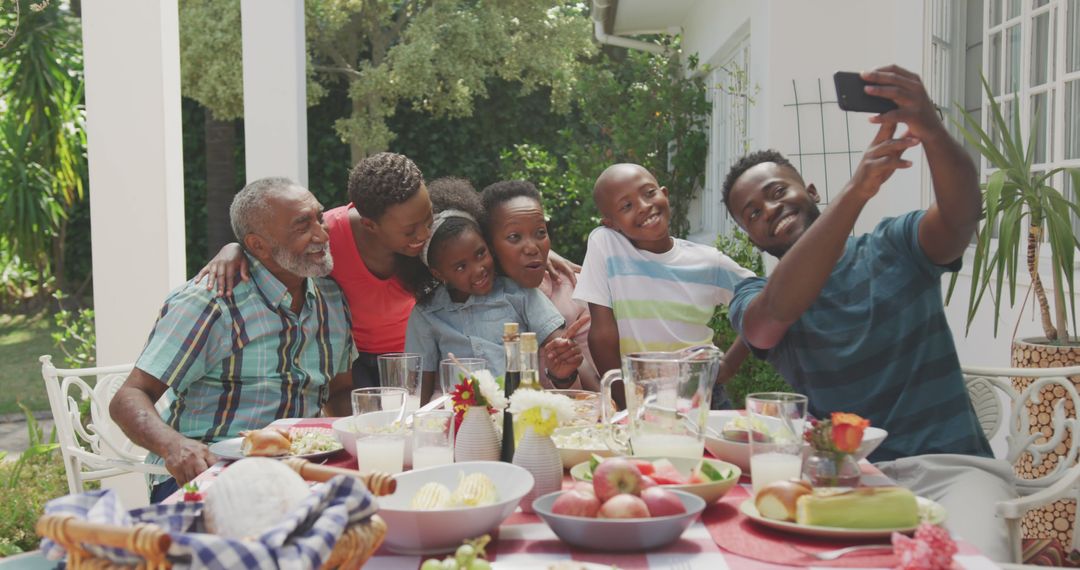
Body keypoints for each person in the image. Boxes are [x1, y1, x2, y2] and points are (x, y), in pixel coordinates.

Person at [723, 65, 1008, 559]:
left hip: (951, 470)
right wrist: (857, 190)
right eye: (752, 213)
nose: (768, 210)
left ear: (809, 192)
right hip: (841, 482)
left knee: (974, 562)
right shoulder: (753, 296)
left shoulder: (895, 245)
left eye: (776, 192)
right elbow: (773, 316)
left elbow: (961, 216)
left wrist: (931, 129)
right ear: (752, 238)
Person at [197, 154, 579, 390]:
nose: (424, 233)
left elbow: (480, 231)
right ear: (371, 226)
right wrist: (234, 249)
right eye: (410, 231)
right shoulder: (327, 236)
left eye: (426, 219)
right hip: (358, 363)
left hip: (416, 355)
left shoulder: (434, 238)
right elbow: (278, 247)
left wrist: (539, 250)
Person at [110, 177, 355, 503]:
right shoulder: (210, 303)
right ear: (257, 246)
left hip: (298, 471)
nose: (322, 235)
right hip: (213, 472)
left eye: (319, 218)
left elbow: (339, 392)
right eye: (302, 226)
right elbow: (129, 396)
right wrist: (174, 446)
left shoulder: (331, 298)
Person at [572, 163, 754, 408]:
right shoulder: (606, 244)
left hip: (700, 396)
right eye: (627, 206)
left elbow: (766, 303)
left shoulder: (708, 262)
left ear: (664, 194)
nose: (644, 206)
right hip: (640, 396)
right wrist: (624, 404)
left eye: (649, 193)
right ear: (611, 223)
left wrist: (729, 364)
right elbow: (602, 335)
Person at [401, 178, 583, 402]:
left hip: (518, 412)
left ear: (490, 247)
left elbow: (559, 349)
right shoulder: (426, 315)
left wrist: (562, 357)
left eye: (480, 254)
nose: (478, 269)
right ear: (439, 274)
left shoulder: (520, 294)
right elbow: (418, 390)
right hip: (457, 417)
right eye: (460, 266)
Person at [480, 180, 599, 391]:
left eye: (540, 233)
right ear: (489, 246)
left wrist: (564, 377)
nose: (532, 248)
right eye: (514, 237)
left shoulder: (575, 291)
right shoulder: (471, 302)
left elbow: (597, 393)